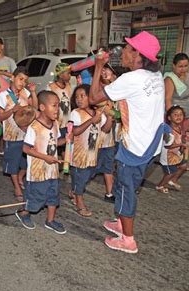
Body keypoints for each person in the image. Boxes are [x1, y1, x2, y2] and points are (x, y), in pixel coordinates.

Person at [88, 31, 167, 253]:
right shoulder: (156, 76)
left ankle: (128, 239)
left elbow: (93, 98)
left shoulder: (131, 79)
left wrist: (97, 66)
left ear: (138, 55)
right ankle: (121, 223)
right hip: (151, 145)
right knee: (126, 186)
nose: (123, 51)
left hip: (136, 149)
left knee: (125, 190)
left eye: (128, 48)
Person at [15, 90, 69, 234]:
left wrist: (66, 140)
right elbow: (25, 148)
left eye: (58, 106)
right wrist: (44, 157)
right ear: (43, 107)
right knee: (35, 197)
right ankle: (23, 213)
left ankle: (50, 220)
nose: (57, 109)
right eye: (54, 106)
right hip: (38, 172)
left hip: (52, 171)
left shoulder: (55, 124)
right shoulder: (34, 127)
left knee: (53, 195)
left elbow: (54, 142)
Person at [68, 84, 112, 217]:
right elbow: (75, 131)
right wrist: (92, 121)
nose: (79, 99)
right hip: (79, 155)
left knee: (87, 176)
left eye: (83, 96)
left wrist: (109, 117)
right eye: (77, 97)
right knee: (81, 178)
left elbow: (106, 129)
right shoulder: (76, 113)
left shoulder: (98, 113)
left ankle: (74, 191)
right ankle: (80, 202)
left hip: (93, 154)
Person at [0, 67, 38, 202]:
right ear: (12, 78)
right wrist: (12, 110)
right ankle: (17, 187)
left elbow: (35, 109)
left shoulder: (26, 93)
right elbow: (1, 117)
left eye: (25, 80)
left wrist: (33, 93)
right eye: (20, 79)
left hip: (26, 136)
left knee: (27, 163)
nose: (22, 83)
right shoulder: (3, 96)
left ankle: (20, 178)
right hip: (11, 136)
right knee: (13, 164)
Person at [164, 53, 189, 171]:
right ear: (173, 66)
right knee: (174, 139)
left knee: (184, 137)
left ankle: (182, 161)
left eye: (186, 66)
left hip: (187, 115)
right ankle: (171, 163)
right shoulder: (170, 79)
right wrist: (172, 118)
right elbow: (168, 99)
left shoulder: (187, 76)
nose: (183, 69)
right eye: (180, 66)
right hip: (176, 117)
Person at [95, 65, 119, 203]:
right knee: (90, 168)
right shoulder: (97, 88)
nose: (104, 72)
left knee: (109, 166)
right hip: (96, 136)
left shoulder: (119, 88)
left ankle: (109, 193)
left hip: (110, 137)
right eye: (101, 70)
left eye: (107, 69)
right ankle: (75, 191)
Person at [156, 106, 188, 193]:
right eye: (175, 115)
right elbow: (167, 146)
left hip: (177, 154)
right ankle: (160, 186)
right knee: (170, 172)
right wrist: (181, 144)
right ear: (169, 118)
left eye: (181, 114)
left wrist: (183, 141)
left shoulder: (179, 127)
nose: (179, 116)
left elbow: (181, 137)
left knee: (183, 166)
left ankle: (172, 181)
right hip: (168, 157)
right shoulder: (169, 131)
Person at [47, 63, 72, 138]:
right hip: (57, 124)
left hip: (67, 123)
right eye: (68, 73)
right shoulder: (51, 88)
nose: (70, 75)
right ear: (60, 75)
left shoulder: (68, 86)